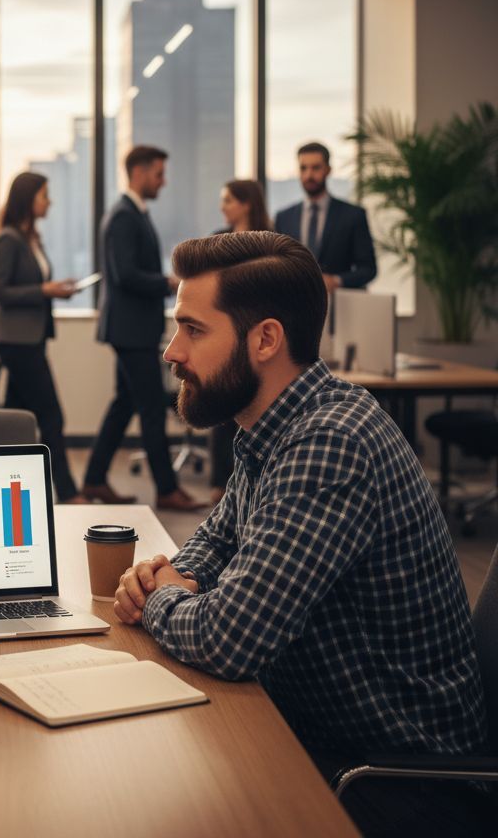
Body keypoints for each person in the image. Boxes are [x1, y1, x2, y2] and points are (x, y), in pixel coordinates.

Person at [114, 232, 490, 837]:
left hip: (396, 783)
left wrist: (160, 596)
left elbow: (228, 639)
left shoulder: (330, 442)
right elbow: (217, 541)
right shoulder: (273, 427)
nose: (172, 351)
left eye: (193, 330)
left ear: (265, 339)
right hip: (319, 737)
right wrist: (177, 575)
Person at [83, 146, 200, 511]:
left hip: (131, 328)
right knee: (150, 408)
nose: (163, 181)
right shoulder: (123, 216)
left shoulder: (134, 213)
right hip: (130, 330)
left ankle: (94, 478)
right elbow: (125, 274)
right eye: (158, 174)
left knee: (125, 403)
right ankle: (167, 489)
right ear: (138, 173)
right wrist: (168, 282)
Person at [0, 172, 81, 503]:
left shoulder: (30, 239)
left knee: (13, 419)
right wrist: (44, 290)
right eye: (44, 195)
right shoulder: (9, 239)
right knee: (51, 416)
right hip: (17, 342)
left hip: (31, 338)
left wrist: (53, 290)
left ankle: (0, 486)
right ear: (28, 199)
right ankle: (68, 493)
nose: (49, 201)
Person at [208, 179, 273, 503]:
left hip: (257, 334)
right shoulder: (218, 241)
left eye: (228, 200)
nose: (223, 207)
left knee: (256, 406)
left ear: (246, 203)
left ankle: (259, 481)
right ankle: (220, 483)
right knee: (223, 406)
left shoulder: (270, 243)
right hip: (224, 333)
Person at [274, 141, 377, 293]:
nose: (309, 175)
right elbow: (277, 266)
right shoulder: (284, 218)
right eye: (303, 168)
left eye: (316, 168)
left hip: (338, 302)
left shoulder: (353, 215)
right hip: (293, 301)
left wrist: (336, 280)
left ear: (328, 170)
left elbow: (368, 269)